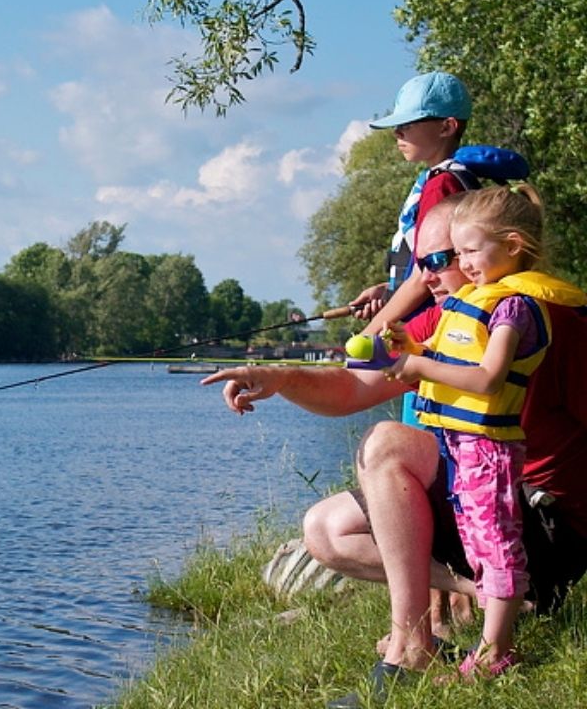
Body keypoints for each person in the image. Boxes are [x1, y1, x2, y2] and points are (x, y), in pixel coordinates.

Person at [201, 198, 587, 705]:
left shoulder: (553, 321)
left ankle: (412, 646)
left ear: (499, 250)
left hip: (550, 526)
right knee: (326, 530)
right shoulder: (449, 319)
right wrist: (277, 378)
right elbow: (350, 388)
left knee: (387, 443)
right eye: (418, 263)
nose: (424, 278)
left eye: (440, 259)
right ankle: (502, 595)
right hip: (480, 508)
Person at [385, 185, 586, 679]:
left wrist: (419, 368)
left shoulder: (514, 308)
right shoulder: (474, 302)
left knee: (496, 544)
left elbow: (488, 378)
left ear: (512, 245)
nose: (463, 264)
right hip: (466, 448)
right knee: (479, 543)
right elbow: (441, 349)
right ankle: (491, 640)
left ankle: (496, 653)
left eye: (470, 251)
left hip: (491, 450)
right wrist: (408, 344)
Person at [353, 70, 473, 330]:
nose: (397, 132)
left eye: (407, 125)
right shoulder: (454, 176)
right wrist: (388, 290)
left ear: (447, 127)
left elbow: (425, 275)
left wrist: (369, 333)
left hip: (429, 325)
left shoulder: (441, 187)